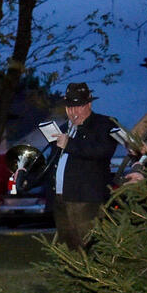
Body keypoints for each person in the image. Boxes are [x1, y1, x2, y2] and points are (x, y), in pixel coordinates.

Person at [42, 82, 117, 250]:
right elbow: (53, 161)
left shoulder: (104, 125)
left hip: (86, 199)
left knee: (87, 246)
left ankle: (92, 276)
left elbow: (102, 151)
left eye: (78, 106)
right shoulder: (63, 128)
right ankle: (70, 275)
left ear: (89, 104)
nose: (73, 112)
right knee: (67, 247)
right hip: (61, 198)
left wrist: (69, 143)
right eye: (69, 107)